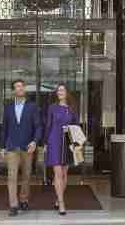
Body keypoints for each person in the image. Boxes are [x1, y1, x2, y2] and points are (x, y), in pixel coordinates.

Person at [0, 79, 42, 216]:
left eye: (21, 86)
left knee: (26, 175)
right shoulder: (8, 107)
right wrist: (2, 146)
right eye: (17, 87)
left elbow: (38, 126)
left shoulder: (32, 106)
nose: (19, 88)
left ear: (24, 89)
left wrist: (35, 141)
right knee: (12, 177)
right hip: (12, 147)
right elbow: (4, 128)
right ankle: (13, 205)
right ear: (14, 91)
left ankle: (23, 199)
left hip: (27, 147)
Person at [44, 84, 79, 216]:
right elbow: (48, 124)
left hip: (68, 142)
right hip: (54, 141)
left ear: (67, 93)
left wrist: (70, 129)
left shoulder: (72, 108)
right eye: (58, 90)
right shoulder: (52, 107)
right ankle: (62, 203)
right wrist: (46, 143)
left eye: (62, 90)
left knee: (64, 174)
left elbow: (76, 125)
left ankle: (58, 199)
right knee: (58, 173)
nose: (60, 92)